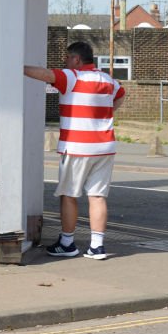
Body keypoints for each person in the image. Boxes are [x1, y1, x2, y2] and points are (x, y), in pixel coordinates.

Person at [24, 41, 125, 260]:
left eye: (68, 58)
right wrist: (106, 113)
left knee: (69, 195)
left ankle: (67, 243)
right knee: (97, 196)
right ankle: (97, 246)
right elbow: (121, 95)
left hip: (77, 146)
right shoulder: (108, 80)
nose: (65, 62)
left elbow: (45, 74)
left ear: (77, 60)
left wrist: (16, 67)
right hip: (105, 146)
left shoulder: (72, 77)